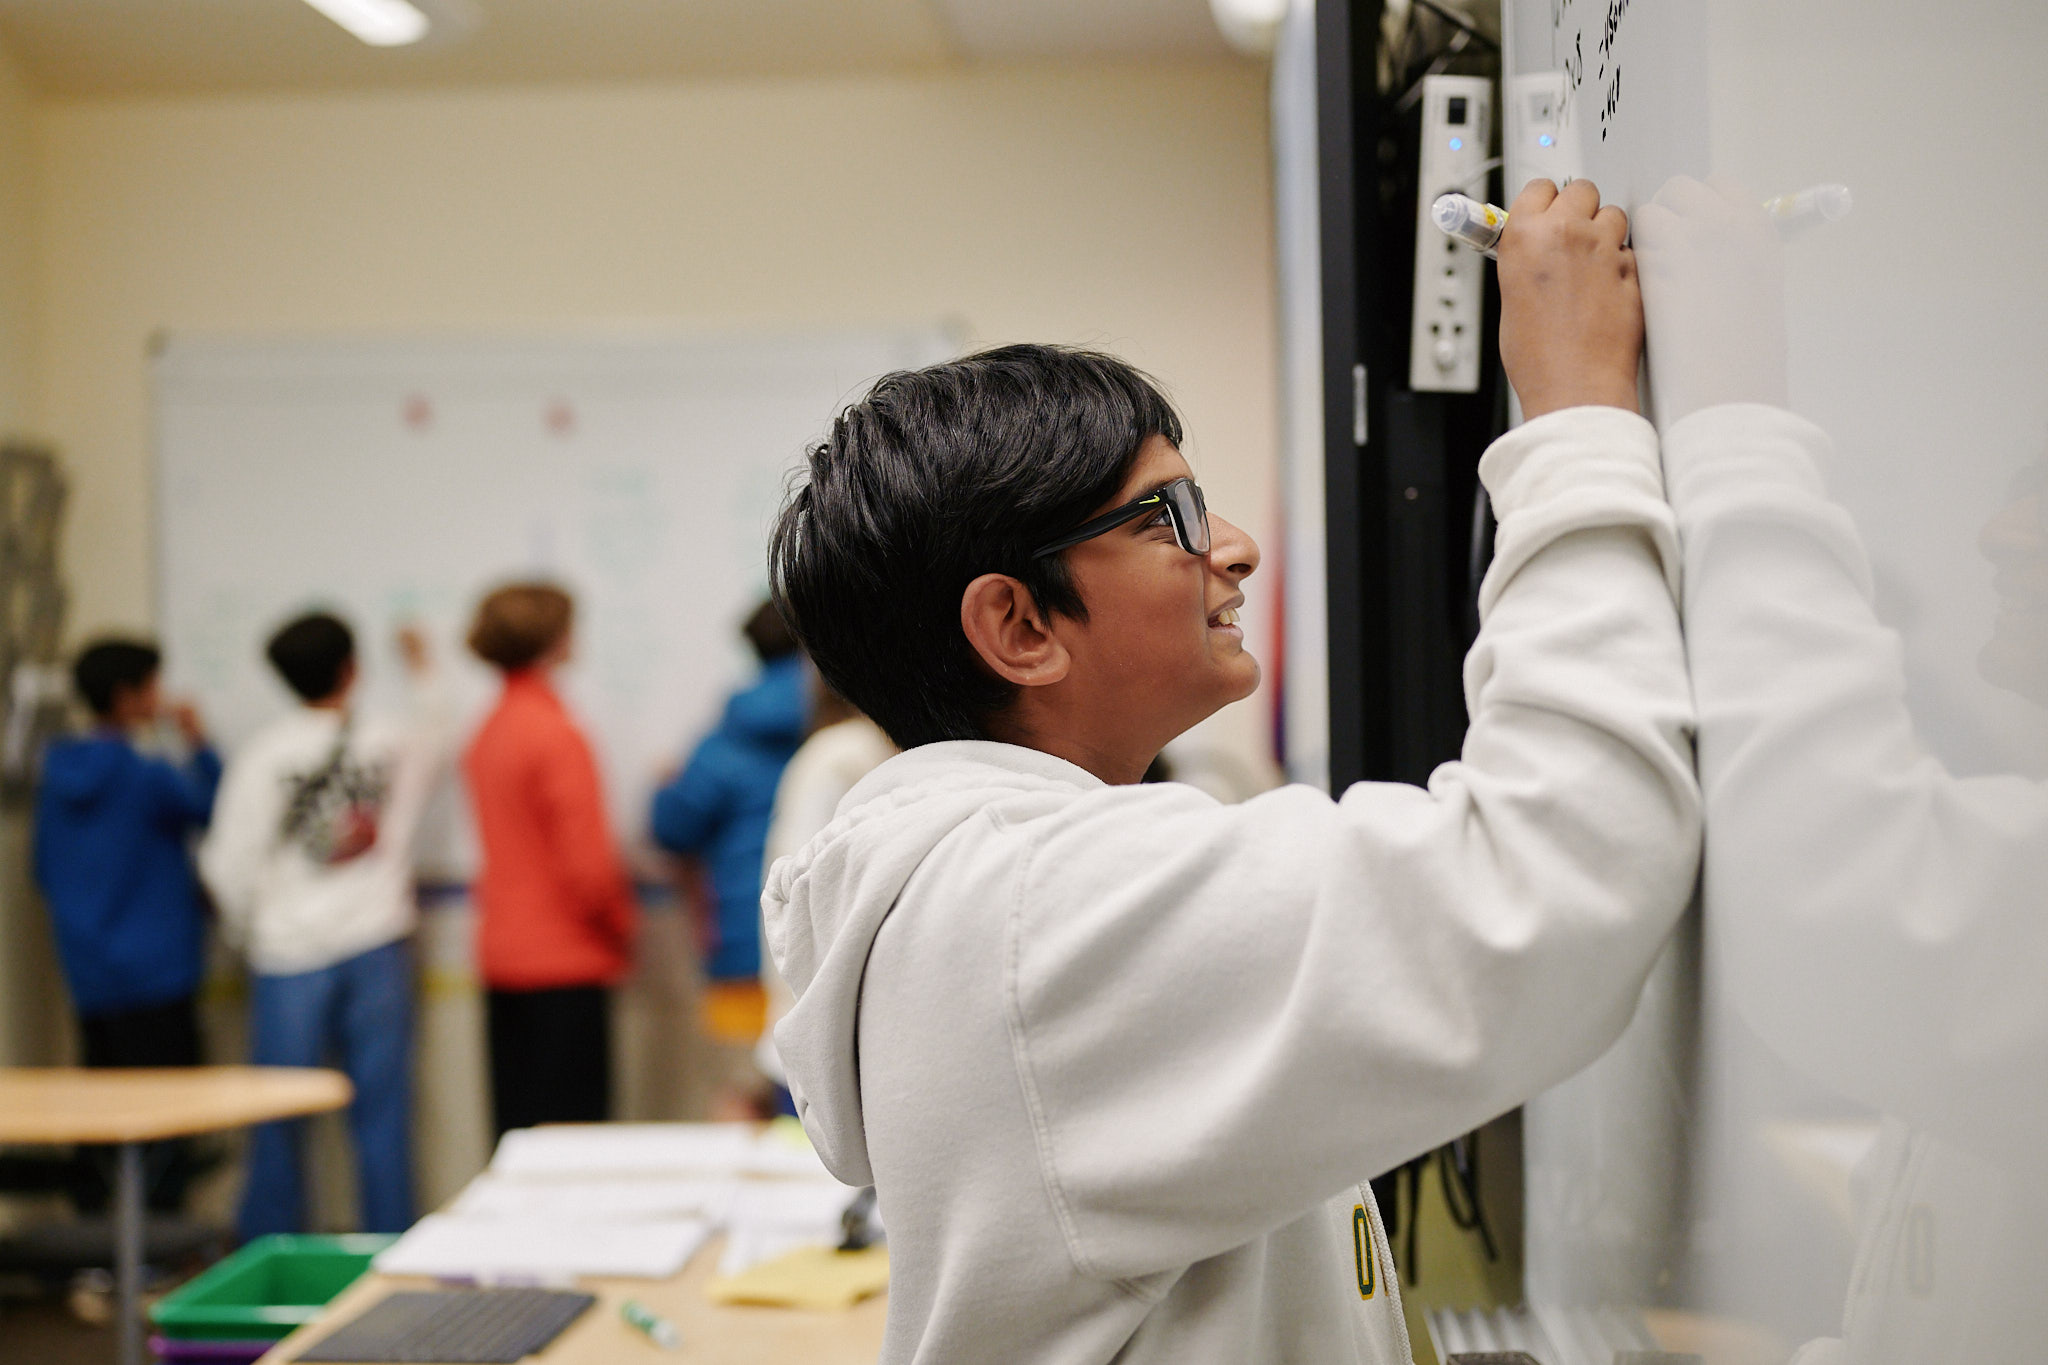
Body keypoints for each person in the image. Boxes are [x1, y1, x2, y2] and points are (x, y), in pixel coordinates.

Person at [762, 179, 1699, 1364]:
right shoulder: (1038, 910)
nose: (1235, 547)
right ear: (1017, 627)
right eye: (1167, 516)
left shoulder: (983, 893)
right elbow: (1561, 874)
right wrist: (1573, 419)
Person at [199, 613, 448, 1239]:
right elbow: (441, 731)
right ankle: (388, 1254)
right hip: (378, 941)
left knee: (279, 1119)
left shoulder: (263, 755)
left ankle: (273, 1263)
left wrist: (250, 932)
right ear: (352, 667)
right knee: (384, 1119)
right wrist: (421, 669)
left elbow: (230, 863)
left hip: (288, 955)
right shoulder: (391, 740)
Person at [34, 638, 220, 1210]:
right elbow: (211, 806)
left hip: (91, 976)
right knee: (167, 1122)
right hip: (160, 974)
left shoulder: (55, 777)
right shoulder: (144, 774)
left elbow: (41, 870)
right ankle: (158, 1253)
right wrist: (199, 743)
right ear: (127, 696)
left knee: (101, 1116)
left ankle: (96, 1256)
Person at [463, 582, 636, 1136]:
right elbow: (588, 868)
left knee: (517, 1135)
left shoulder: (488, 731)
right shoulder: (556, 734)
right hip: (567, 962)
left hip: (503, 957)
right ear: (556, 641)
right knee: (573, 1142)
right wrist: (622, 930)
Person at [649, 600, 806, 1060]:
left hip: (740, 949)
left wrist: (665, 787)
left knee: (742, 1099)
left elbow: (671, 829)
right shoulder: (855, 726)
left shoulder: (725, 741)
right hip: (827, 949)